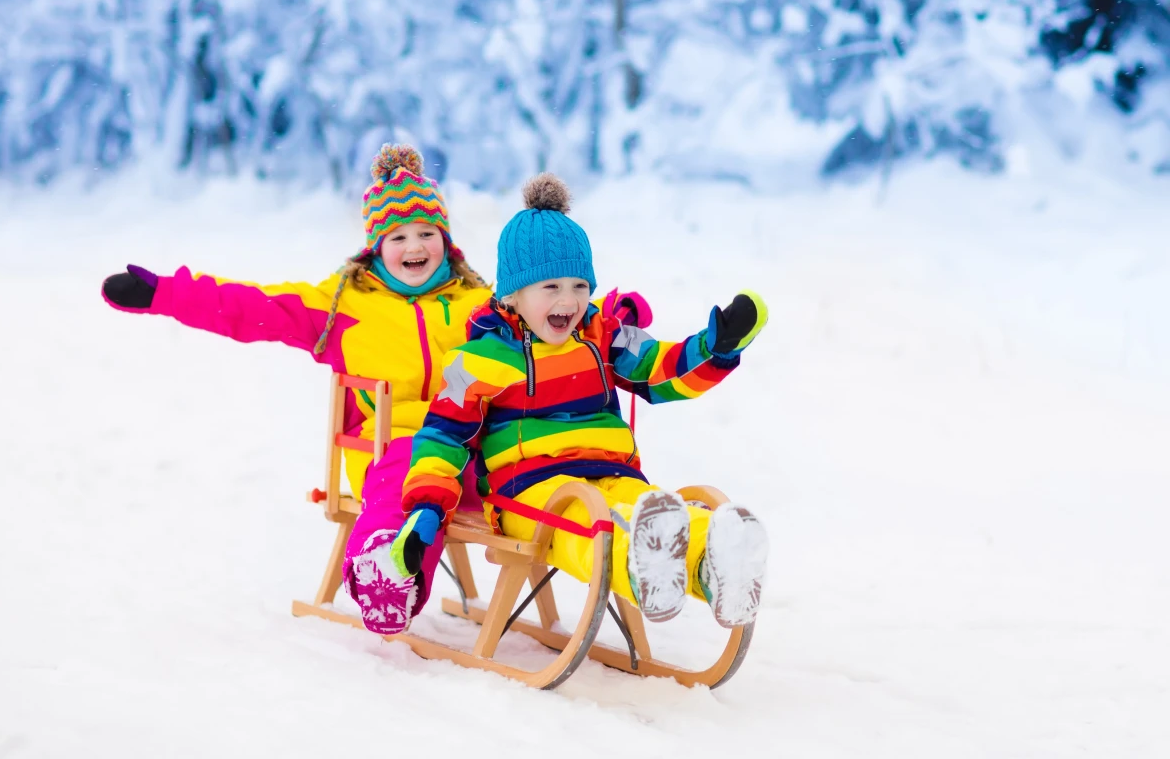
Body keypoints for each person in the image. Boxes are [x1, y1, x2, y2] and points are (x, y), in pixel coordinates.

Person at [100, 147, 651, 634]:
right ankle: (389, 570)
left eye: (427, 234)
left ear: (446, 241)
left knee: (541, 467)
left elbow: (560, 314)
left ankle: (630, 545)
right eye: (399, 237)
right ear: (375, 247)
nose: (415, 247)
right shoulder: (346, 306)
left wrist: (621, 317)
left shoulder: (480, 303)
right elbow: (252, 306)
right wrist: (163, 293)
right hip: (399, 448)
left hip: (486, 449)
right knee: (411, 469)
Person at [391, 172, 769, 629]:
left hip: (612, 472)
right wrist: (426, 508)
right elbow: (442, 437)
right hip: (528, 490)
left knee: (645, 504)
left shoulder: (603, 337)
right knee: (588, 524)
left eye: (580, 286)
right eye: (551, 287)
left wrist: (714, 346)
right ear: (513, 294)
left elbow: (659, 371)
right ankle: (639, 565)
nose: (568, 301)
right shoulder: (476, 360)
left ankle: (716, 561)